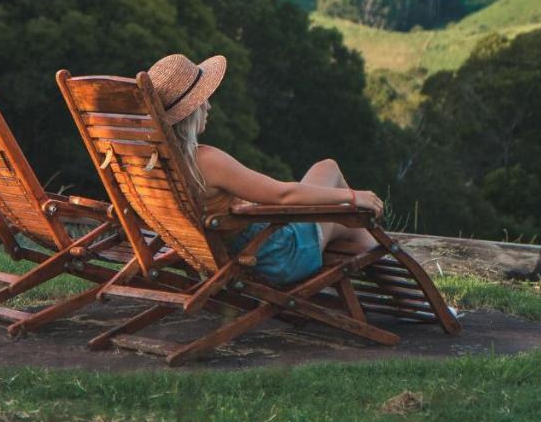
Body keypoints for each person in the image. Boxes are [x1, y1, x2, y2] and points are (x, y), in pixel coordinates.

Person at [147, 52, 384, 285]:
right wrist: (353, 197)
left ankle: (386, 286)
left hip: (221, 253)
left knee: (326, 170)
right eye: (202, 101)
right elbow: (283, 195)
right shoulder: (206, 161)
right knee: (344, 207)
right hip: (269, 256)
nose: (208, 106)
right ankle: (396, 286)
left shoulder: (153, 162)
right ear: (190, 112)